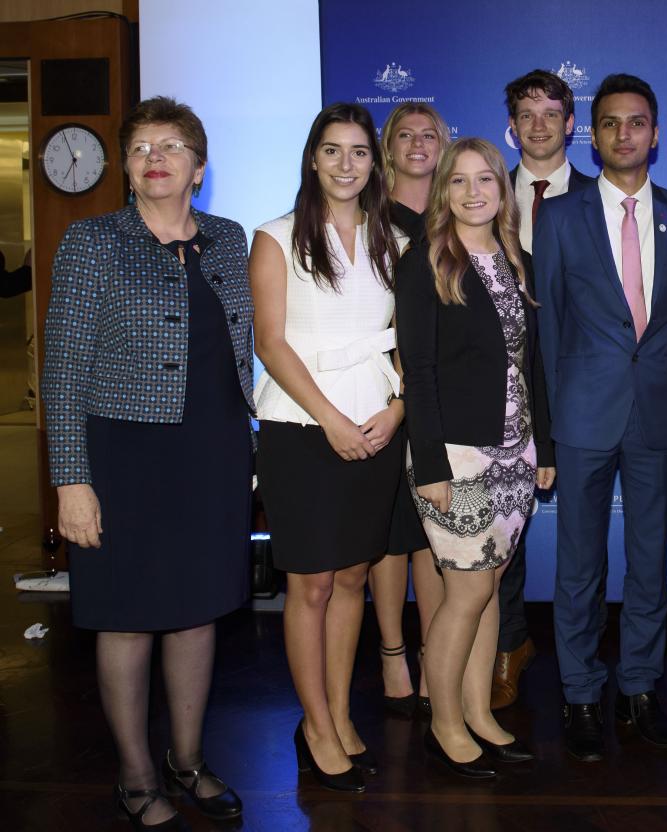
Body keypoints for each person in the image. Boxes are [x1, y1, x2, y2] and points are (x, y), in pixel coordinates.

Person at [43, 96, 250, 830]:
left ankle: (185, 762)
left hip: (212, 454)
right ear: (128, 169)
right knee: (127, 620)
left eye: (171, 145)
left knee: (198, 613)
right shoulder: (92, 242)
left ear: (199, 166)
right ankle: (135, 779)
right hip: (123, 458)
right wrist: (72, 481)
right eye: (139, 147)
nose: (154, 156)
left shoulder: (229, 241)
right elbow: (63, 371)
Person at [533, 73, 667, 761]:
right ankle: (579, 694)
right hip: (581, 417)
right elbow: (546, 332)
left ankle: (639, 688)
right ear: (591, 133)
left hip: (657, 415)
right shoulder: (558, 217)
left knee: (648, 563)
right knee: (577, 565)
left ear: (655, 134)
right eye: (610, 122)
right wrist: (547, 427)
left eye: (637, 122)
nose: (624, 133)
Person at [252, 103, 403, 792]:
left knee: (351, 580)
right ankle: (314, 727)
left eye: (359, 152)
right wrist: (332, 420)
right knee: (309, 584)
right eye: (333, 151)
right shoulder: (275, 237)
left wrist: (397, 411)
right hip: (301, 429)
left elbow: (409, 344)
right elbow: (270, 343)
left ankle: (340, 716)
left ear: (375, 163)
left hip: (376, 426)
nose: (347, 164)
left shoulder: (392, 239)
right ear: (313, 159)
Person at [397, 137, 555, 778]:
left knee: (489, 590)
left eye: (484, 179)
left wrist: (540, 440)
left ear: (502, 188)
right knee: (464, 595)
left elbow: (531, 360)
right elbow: (421, 369)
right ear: (444, 192)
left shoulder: (519, 260)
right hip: (457, 458)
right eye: (458, 181)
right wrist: (430, 461)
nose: (472, 192)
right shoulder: (426, 260)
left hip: (515, 453)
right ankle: (445, 724)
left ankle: (481, 715)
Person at [491, 68, 596, 712]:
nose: (538, 125)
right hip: (499, 390)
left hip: (580, 389)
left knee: (585, 541)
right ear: (512, 125)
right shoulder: (479, 193)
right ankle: (508, 646)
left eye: (550, 113)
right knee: (500, 532)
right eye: (525, 114)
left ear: (570, 123)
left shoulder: (600, 197)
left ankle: (586, 668)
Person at [368, 102, 450, 717]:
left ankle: (432, 651)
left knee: (432, 528)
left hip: (445, 390)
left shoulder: (458, 214)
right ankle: (392, 652)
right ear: (386, 146)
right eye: (405, 135)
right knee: (389, 530)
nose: (418, 144)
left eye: (429, 135)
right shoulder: (367, 216)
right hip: (380, 391)